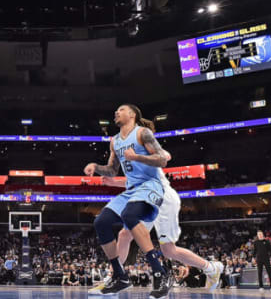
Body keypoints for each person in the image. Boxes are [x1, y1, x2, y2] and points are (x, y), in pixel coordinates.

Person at [82, 104, 171, 297]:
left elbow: (162, 160)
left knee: (129, 215)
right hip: (131, 190)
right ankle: (120, 276)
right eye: (116, 110)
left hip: (150, 186)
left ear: (132, 114)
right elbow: (112, 170)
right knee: (101, 222)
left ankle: (159, 272)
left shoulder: (143, 133)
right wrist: (95, 166)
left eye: (121, 110)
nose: (116, 112)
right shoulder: (114, 141)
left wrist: (137, 156)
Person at [90, 169, 224, 293]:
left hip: (163, 199)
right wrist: (115, 181)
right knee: (124, 235)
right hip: (146, 197)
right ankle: (114, 277)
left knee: (168, 250)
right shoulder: (126, 152)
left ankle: (211, 268)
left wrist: (114, 182)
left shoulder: (141, 149)